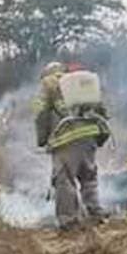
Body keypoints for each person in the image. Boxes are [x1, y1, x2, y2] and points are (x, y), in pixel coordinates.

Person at [33, 61, 111, 230]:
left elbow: (40, 112)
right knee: (88, 176)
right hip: (89, 134)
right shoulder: (79, 83)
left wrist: (42, 138)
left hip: (66, 137)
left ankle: (69, 221)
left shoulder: (48, 83)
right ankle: (95, 213)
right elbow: (102, 109)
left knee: (65, 180)